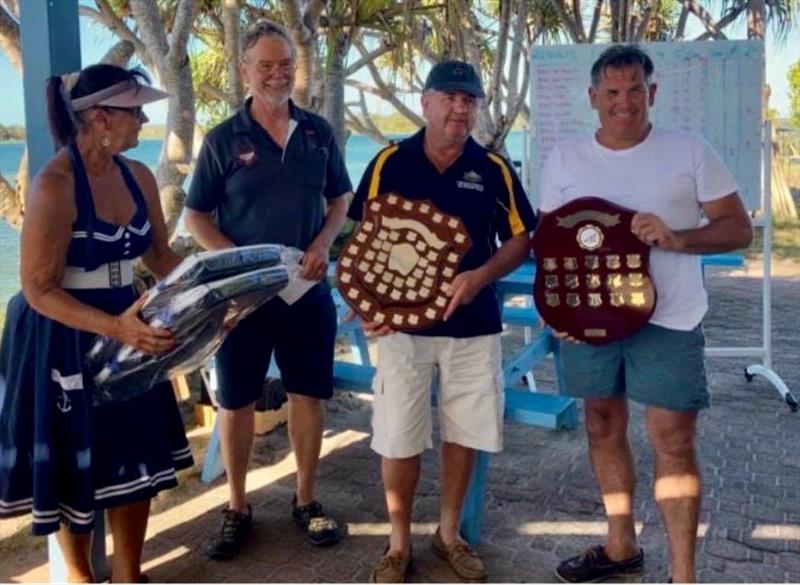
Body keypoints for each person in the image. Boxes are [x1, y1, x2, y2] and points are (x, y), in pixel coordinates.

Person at [537, 44, 753, 584]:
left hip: (669, 320)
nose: (624, 102)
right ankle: (619, 545)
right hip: (589, 324)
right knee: (601, 423)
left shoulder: (690, 150)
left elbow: (739, 228)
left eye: (635, 89)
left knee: (674, 441)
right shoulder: (564, 157)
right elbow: (550, 243)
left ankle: (684, 576)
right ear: (593, 98)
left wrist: (678, 238)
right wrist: (552, 305)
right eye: (612, 92)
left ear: (652, 92)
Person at [0, 64, 193, 583]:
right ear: (101, 117)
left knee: (137, 453)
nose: (145, 119)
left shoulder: (139, 176)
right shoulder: (54, 186)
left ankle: (130, 574)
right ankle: (83, 578)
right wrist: (117, 328)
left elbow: (157, 255)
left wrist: (215, 290)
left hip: (129, 323)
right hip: (62, 333)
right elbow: (38, 289)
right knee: (73, 464)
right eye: (135, 111)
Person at [348, 60, 537, 583]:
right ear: (426, 102)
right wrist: (366, 304)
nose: (460, 108)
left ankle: (449, 534)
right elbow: (362, 239)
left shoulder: (493, 168)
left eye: (469, 100)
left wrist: (479, 276)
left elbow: (523, 237)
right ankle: (397, 544)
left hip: (473, 325)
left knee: (464, 432)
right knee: (398, 435)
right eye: (450, 97)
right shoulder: (389, 161)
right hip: (401, 330)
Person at [184, 20, 352, 559]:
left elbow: (339, 201)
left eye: (285, 65)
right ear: (244, 70)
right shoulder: (222, 139)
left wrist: (325, 242)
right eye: (266, 66)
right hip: (243, 299)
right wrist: (235, 264)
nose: (277, 74)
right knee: (235, 402)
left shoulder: (317, 133)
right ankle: (236, 507)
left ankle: (306, 499)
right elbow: (194, 217)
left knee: (309, 395)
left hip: (307, 292)